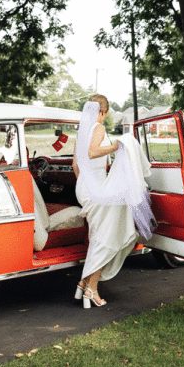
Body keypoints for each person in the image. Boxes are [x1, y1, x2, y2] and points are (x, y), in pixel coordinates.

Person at [72, 94, 141, 309]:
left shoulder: (81, 131)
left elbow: (75, 164)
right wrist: (118, 146)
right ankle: (90, 288)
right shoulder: (98, 128)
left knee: (98, 235)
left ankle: (85, 283)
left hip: (84, 187)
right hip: (96, 188)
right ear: (103, 112)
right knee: (107, 235)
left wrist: (86, 184)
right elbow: (93, 153)